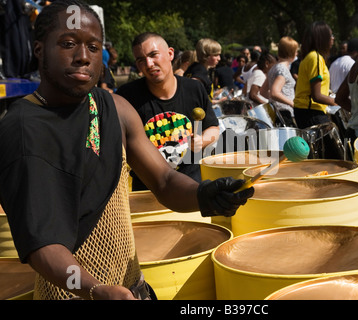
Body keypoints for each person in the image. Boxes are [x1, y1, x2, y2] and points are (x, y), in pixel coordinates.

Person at [0, 0, 254, 300]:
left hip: (132, 289)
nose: (83, 56)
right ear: (40, 49)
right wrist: (94, 289)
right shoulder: (21, 127)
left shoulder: (115, 108)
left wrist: (206, 195)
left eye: (93, 47)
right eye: (68, 43)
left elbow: (164, 180)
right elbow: (42, 244)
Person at [117, 32, 220, 186]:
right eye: (141, 60)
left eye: (154, 55)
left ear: (170, 53)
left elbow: (213, 127)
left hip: (191, 187)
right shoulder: (126, 97)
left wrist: (202, 140)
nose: (149, 64)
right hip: (147, 189)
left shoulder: (194, 88)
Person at [293, 21, 337, 129]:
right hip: (311, 112)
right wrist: (339, 102)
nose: (333, 38)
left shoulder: (311, 57)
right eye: (330, 35)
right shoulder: (315, 58)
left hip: (307, 111)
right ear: (322, 38)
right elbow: (316, 96)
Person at [261, 36, 298, 127]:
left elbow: (263, 91)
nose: (297, 54)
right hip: (284, 113)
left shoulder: (274, 67)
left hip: (275, 112)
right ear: (292, 53)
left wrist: (274, 102)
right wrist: (292, 103)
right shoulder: (282, 70)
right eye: (296, 51)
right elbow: (274, 92)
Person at [184, 38, 224, 104]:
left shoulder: (194, 68)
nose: (219, 59)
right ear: (205, 55)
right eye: (216, 55)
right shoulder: (199, 74)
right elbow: (191, 95)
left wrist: (217, 100)